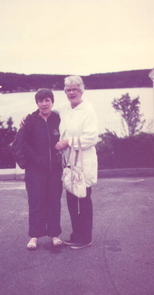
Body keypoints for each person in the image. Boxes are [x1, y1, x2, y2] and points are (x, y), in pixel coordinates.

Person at [55, 75, 98, 250]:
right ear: (65, 92)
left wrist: (67, 142)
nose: (72, 93)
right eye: (68, 90)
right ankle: (76, 235)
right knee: (72, 200)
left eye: (75, 89)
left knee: (83, 200)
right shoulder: (64, 108)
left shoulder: (88, 110)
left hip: (83, 163)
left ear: (81, 90)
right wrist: (25, 118)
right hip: (69, 164)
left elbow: (91, 138)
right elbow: (47, 111)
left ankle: (85, 237)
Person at [22, 88, 63, 250]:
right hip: (35, 171)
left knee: (54, 201)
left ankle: (54, 234)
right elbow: (23, 144)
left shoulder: (58, 118)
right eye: (41, 101)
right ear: (36, 103)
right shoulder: (30, 121)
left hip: (55, 170)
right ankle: (34, 236)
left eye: (47, 100)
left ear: (52, 102)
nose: (44, 104)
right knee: (36, 202)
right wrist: (37, 160)